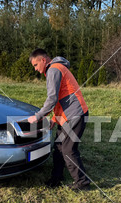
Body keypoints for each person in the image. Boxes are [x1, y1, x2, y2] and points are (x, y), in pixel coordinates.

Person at [27, 48, 90, 190]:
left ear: (43, 60)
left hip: (75, 115)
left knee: (68, 150)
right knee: (59, 147)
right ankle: (56, 178)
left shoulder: (53, 70)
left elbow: (52, 99)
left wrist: (38, 116)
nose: (36, 70)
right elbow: (62, 99)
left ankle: (82, 183)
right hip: (68, 115)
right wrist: (55, 119)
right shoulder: (56, 68)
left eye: (36, 65)